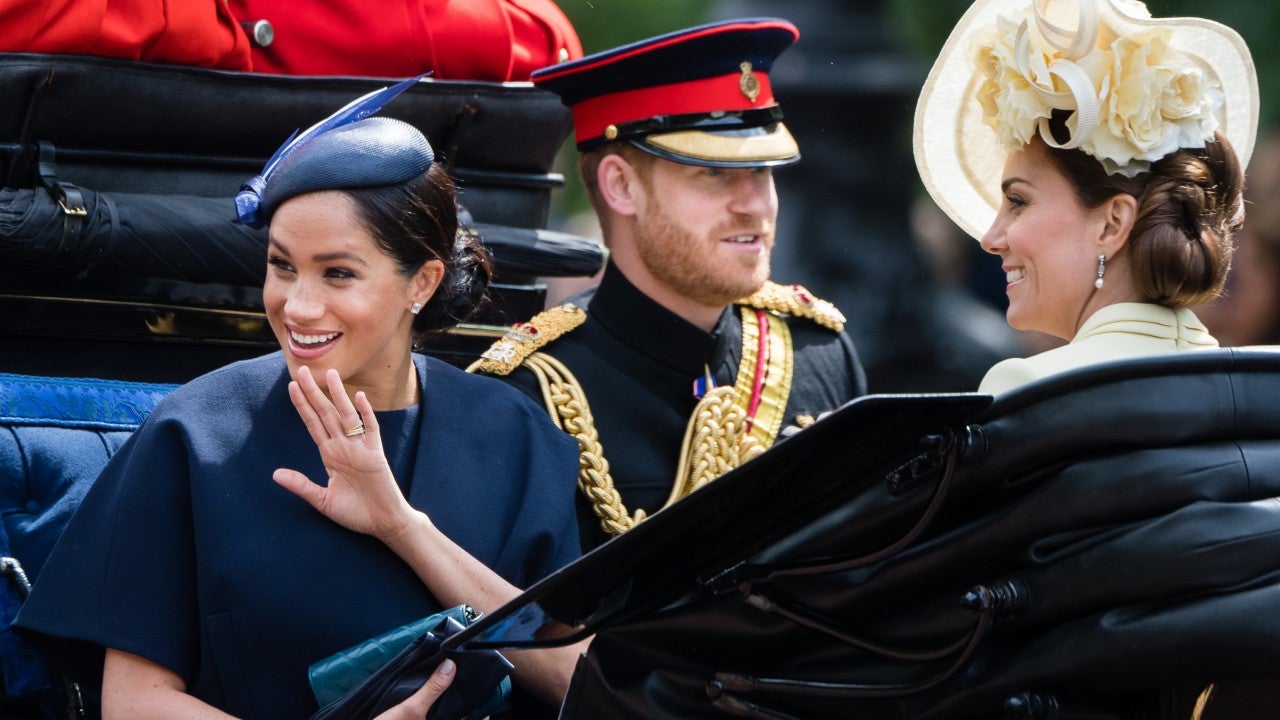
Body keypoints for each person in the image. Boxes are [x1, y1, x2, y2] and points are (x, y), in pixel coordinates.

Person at [14, 82, 583, 719]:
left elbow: (577, 680)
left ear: (421, 283)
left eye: (338, 273)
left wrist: (402, 527)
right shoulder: (196, 434)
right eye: (282, 266)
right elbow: (133, 704)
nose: (298, 306)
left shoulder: (512, 434)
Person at [467, 18, 868, 552]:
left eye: (762, 171)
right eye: (713, 174)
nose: (754, 204)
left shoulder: (818, 353)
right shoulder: (529, 400)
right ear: (621, 186)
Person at [913, 0, 1258, 396]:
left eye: (1019, 202)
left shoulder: (1028, 385)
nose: (990, 239)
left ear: (1112, 224)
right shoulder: (1252, 384)